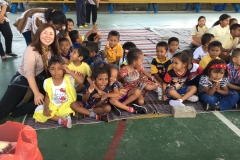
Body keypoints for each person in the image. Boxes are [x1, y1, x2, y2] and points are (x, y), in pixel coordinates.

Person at [0, 23, 60, 120]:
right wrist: (36, 93)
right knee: (3, 110)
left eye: (51, 34)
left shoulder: (50, 49)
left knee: (51, 101)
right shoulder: (32, 49)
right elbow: (29, 73)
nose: (48, 36)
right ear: (39, 34)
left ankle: (15, 111)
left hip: (39, 81)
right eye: (45, 33)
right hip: (22, 81)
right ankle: (11, 109)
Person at [33, 56, 84, 128]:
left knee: (70, 108)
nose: (56, 72)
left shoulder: (68, 78)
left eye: (59, 68)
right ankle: (61, 120)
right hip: (54, 105)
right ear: (49, 70)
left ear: (64, 69)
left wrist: (69, 71)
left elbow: (81, 81)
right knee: (38, 110)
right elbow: (47, 96)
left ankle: (59, 117)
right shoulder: (47, 82)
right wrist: (46, 107)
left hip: (67, 105)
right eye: (52, 69)